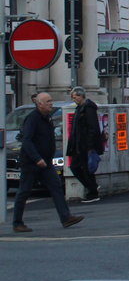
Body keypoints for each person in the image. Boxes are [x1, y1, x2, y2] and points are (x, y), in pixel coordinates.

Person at [13, 93, 84, 232]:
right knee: (24, 191)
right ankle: (17, 223)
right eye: (48, 101)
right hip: (32, 163)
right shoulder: (33, 118)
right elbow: (26, 140)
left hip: (46, 162)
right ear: (40, 104)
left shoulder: (47, 117)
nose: (51, 103)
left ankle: (66, 217)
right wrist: (36, 158)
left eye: (51, 100)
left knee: (56, 186)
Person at [66, 86, 104, 203]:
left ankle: (92, 191)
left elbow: (93, 128)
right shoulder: (80, 108)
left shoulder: (88, 108)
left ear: (81, 95)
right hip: (79, 145)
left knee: (85, 168)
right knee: (78, 168)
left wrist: (90, 145)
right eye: (72, 97)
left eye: (75, 96)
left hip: (85, 145)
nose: (74, 99)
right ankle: (92, 188)